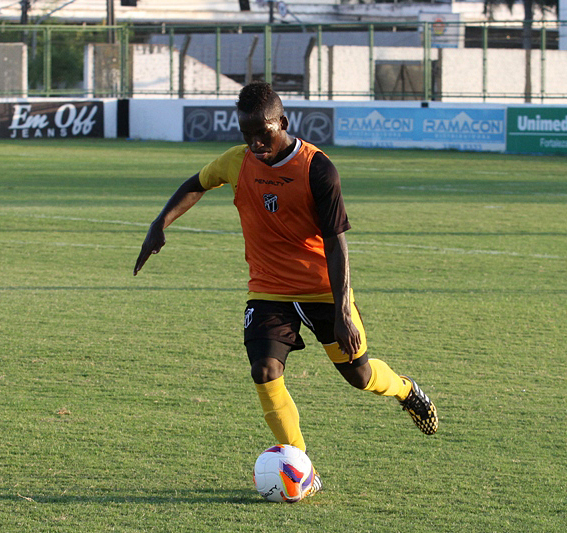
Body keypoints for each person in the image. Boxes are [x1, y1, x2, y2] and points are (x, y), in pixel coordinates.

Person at [134, 82, 438, 492]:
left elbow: (336, 242)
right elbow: (197, 183)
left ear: (284, 123)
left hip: (322, 291)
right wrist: (159, 223)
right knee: (264, 370)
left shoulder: (318, 169)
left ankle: (404, 390)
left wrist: (344, 310)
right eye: (247, 136)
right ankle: (301, 467)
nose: (256, 145)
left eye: (264, 134)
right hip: (268, 291)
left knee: (359, 375)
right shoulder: (237, 162)